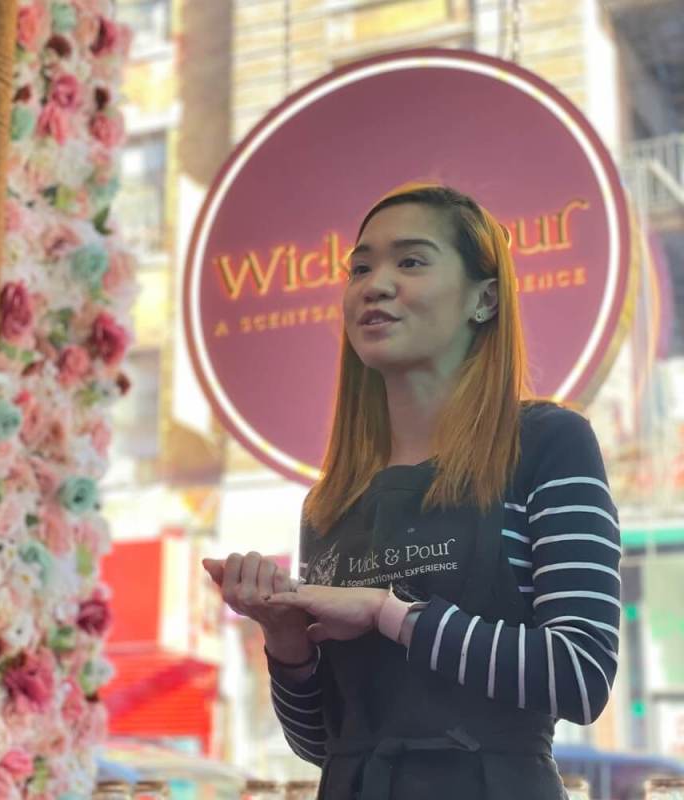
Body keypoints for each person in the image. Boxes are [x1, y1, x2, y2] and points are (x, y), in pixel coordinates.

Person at [202, 184, 621, 799]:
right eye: (361, 267)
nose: (375, 284)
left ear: (484, 299)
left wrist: (387, 612)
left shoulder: (547, 444)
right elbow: (329, 743)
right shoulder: (331, 502)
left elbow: (580, 677)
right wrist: (286, 643)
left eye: (412, 261)